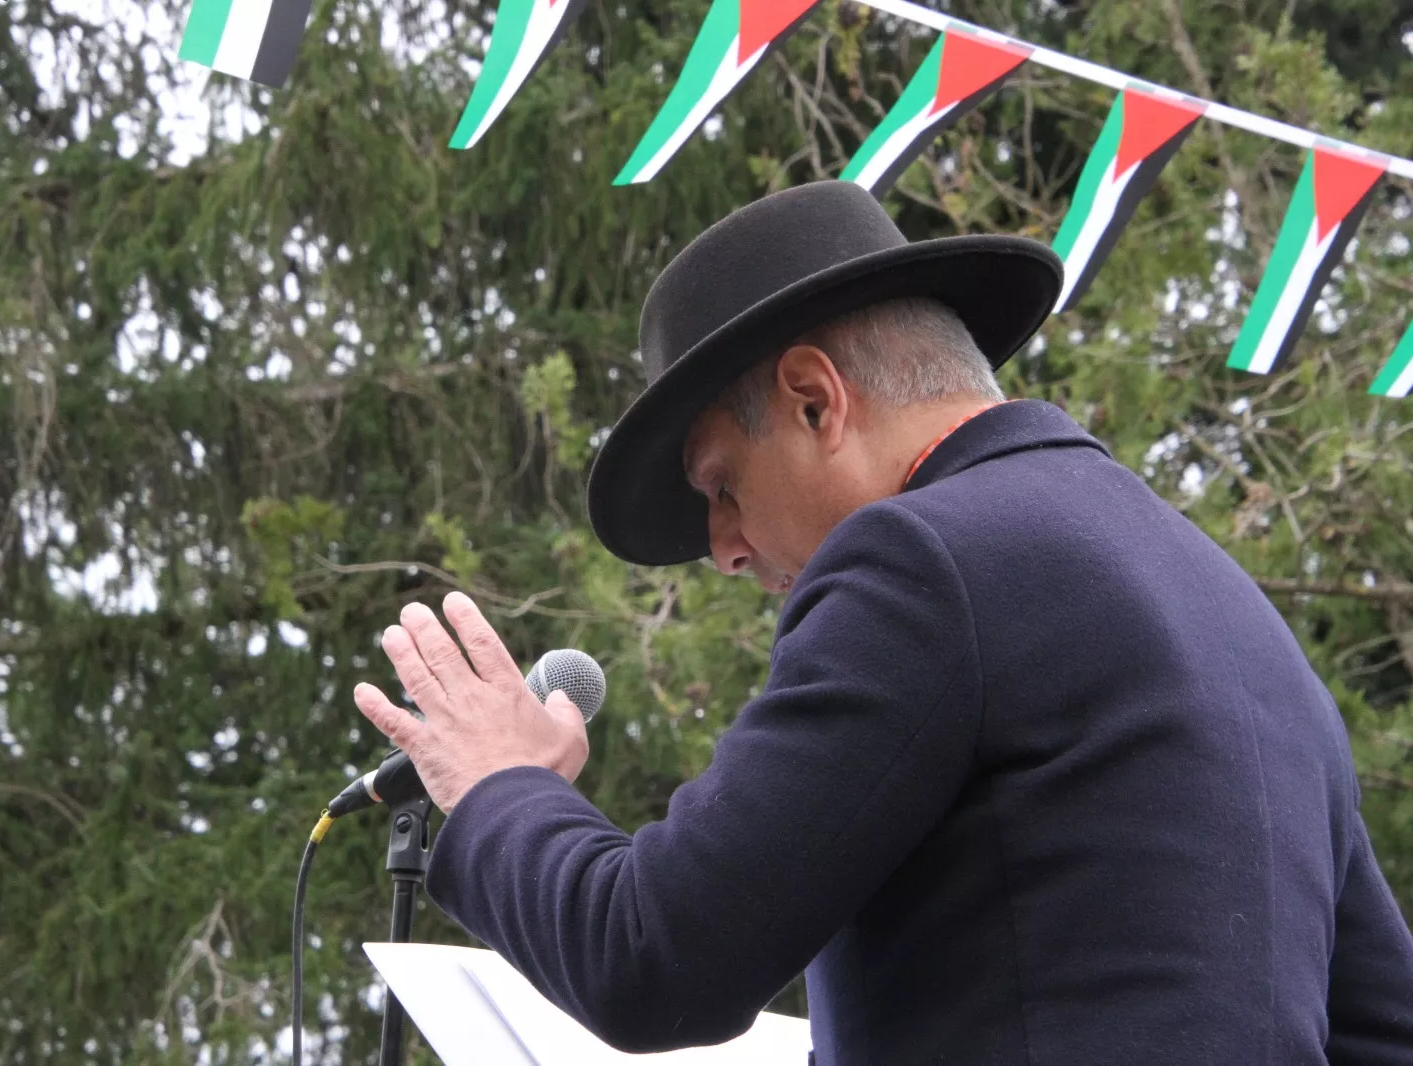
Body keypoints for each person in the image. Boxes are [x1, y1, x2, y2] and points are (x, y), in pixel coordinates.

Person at [351, 180, 1413, 1063]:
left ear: (816, 400)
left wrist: (502, 788)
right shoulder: (1234, 613)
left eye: (721, 485)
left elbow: (654, 958)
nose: (723, 546)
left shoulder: (924, 558)